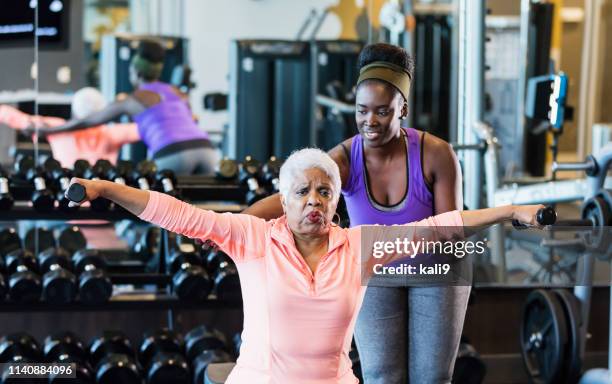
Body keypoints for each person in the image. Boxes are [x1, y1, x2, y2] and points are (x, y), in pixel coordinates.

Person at [67, 147, 545, 384]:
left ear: (336, 200)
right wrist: (105, 189)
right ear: (283, 200)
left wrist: (508, 212)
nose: (313, 201)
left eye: (324, 191)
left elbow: (438, 227)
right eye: (302, 192)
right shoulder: (252, 237)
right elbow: (175, 212)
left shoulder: (360, 246)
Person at [244, 43, 465, 383]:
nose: (369, 122)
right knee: (381, 375)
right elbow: (289, 197)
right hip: (373, 271)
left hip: (434, 270)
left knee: (432, 377)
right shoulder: (344, 159)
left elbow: (451, 231)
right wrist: (237, 223)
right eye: (361, 111)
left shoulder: (436, 154)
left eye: (382, 111)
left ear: (402, 107)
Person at [35, 39, 218, 175]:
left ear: (136, 73)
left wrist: (49, 130)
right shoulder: (177, 92)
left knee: (161, 213)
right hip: (206, 149)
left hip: (172, 152)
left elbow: (88, 121)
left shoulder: (134, 99)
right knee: (201, 213)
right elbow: (193, 119)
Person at [0, 87, 139, 168]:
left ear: (74, 111)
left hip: (68, 205)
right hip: (102, 207)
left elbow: (8, 115)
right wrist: (125, 105)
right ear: (103, 114)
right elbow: (149, 127)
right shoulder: (112, 133)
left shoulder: (57, 128)